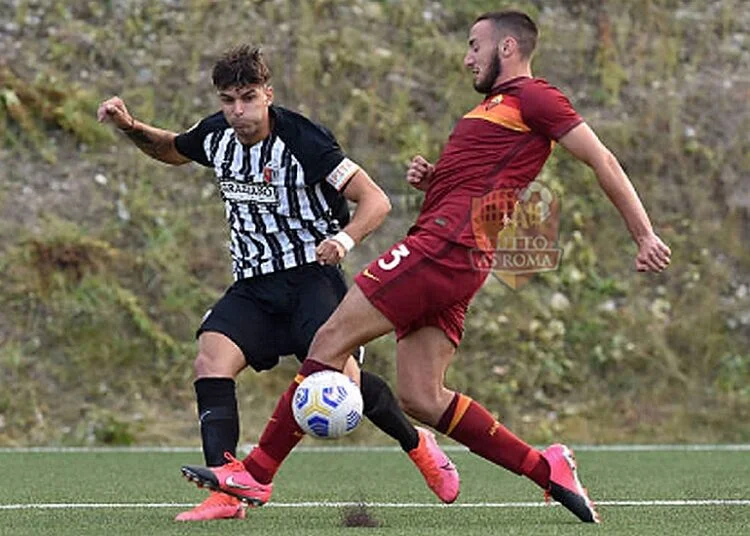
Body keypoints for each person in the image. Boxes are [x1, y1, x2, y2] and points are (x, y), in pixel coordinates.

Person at [180, 12, 672, 524]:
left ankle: (256, 472)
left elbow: (603, 160)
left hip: (444, 248)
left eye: (473, 46)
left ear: (507, 47)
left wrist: (644, 235)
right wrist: (435, 180)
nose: (466, 57)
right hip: (458, 252)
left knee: (329, 342)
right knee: (422, 396)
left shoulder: (536, 97)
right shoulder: (492, 110)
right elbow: (485, 180)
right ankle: (546, 467)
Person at [97, 45, 460, 522]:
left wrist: (344, 240)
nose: (238, 111)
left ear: (268, 93)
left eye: (248, 97)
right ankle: (227, 493)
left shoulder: (304, 140)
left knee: (343, 385)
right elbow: (172, 148)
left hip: (312, 280)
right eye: (228, 100)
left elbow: (375, 200)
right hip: (253, 286)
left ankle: (417, 444)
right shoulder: (217, 135)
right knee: (211, 360)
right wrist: (129, 126)